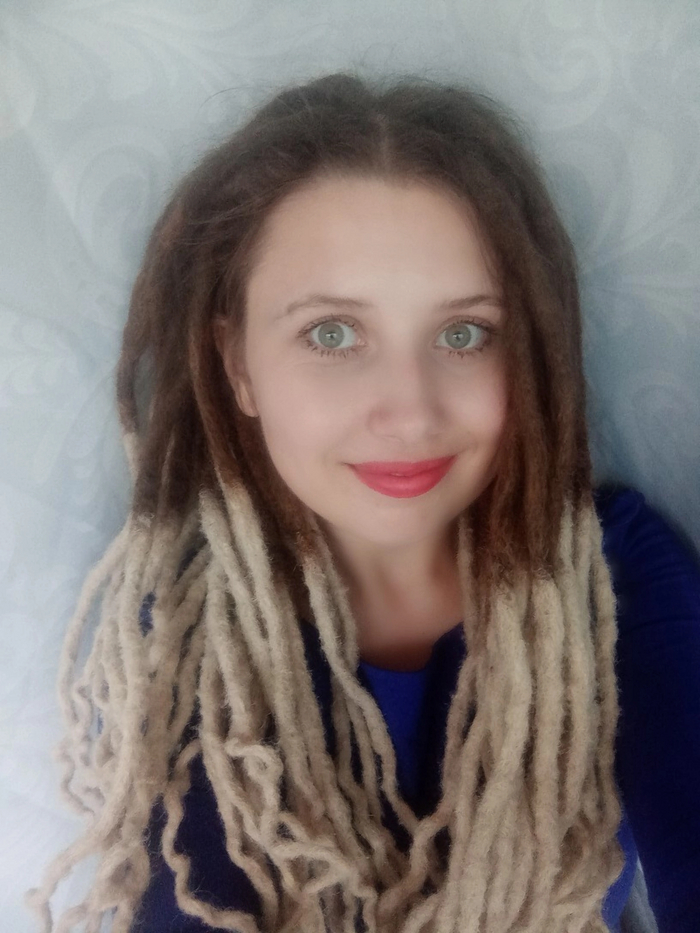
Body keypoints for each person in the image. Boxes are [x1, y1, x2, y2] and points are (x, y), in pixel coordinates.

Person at [25, 71, 700, 933]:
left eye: (464, 333)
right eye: (333, 333)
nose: (410, 411)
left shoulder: (617, 570)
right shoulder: (199, 628)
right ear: (238, 366)